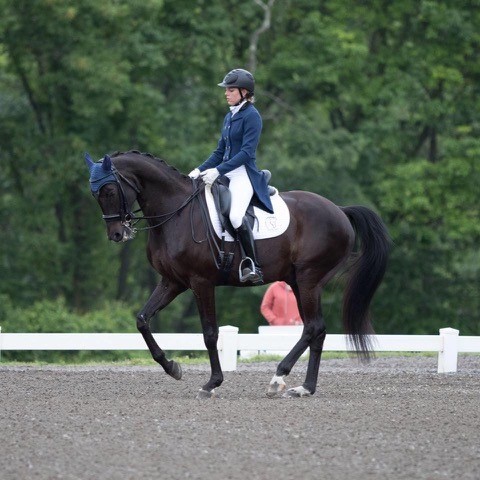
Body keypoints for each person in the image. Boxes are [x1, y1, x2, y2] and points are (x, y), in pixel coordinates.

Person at [188, 68, 273, 285]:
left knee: (235, 216)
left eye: (231, 90)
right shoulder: (229, 116)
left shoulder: (252, 116)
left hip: (243, 173)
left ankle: (252, 264)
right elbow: (219, 151)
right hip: (225, 172)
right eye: (226, 89)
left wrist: (218, 171)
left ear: (244, 92)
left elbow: (246, 153)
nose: (226, 93)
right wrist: (199, 169)